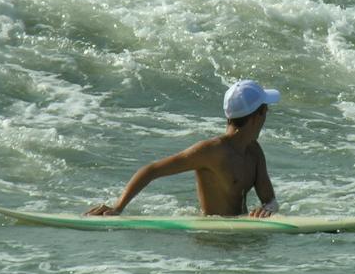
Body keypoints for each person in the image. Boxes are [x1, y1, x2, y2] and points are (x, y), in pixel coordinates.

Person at [86, 79, 281, 217]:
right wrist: (118, 207)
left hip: (240, 235)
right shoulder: (211, 152)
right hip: (211, 244)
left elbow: (270, 199)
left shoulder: (254, 151)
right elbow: (152, 170)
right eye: (267, 111)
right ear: (259, 115)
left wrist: (268, 208)